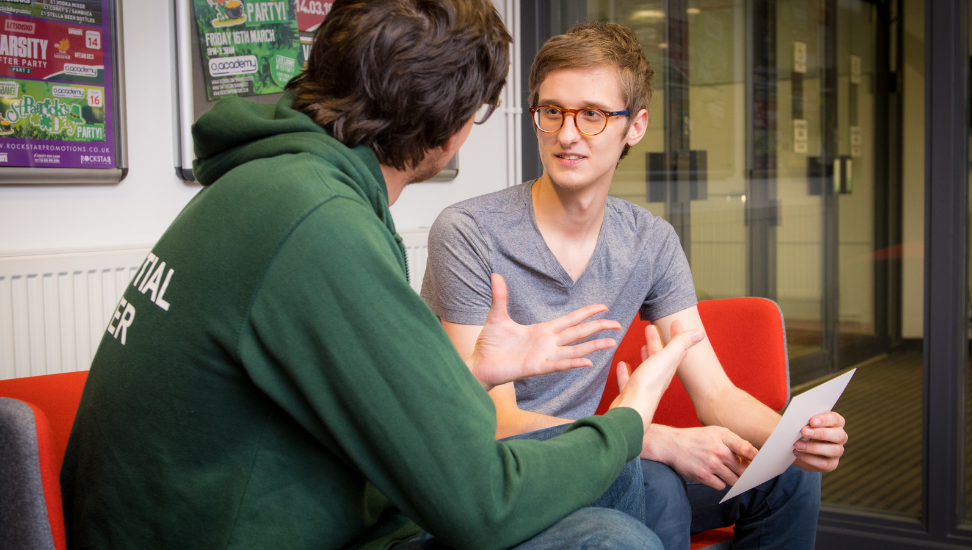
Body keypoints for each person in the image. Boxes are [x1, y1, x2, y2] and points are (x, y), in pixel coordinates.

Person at [59, 2, 708, 549]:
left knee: (623, 485)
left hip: (223, 508)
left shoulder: (266, 185)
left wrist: (472, 371)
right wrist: (630, 416)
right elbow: (482, 504)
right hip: (232, 529)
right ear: (453, 129)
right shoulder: (315, 220)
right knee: (612, 539)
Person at [421, 21, 849, 550]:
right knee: (657, 480)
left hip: (603, 456)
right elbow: (497, 422)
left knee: (789, 475)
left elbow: (714, 393)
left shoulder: (649, 240)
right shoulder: (470, 232)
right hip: (514, 471)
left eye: (593, 115)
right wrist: (649, 439)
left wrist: (797, 438)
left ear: (636, 125)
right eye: (551, 111)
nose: (567, 134)